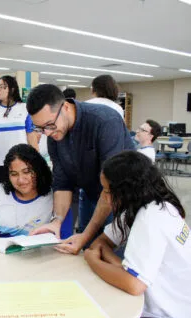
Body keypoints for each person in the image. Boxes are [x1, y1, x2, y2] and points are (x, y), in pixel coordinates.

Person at [84, 151, 191, 318]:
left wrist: (93, 261)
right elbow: (100, 244)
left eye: (107, 191)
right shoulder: (147, 205)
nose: (103, 197)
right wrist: (118, 265)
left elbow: (134, 285)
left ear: (126, 191)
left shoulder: (151, 217)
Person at [27, 84, 135, 254]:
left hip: (123, 201)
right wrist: (57, 221)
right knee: (88, 252)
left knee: (113, 258)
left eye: (49, 125)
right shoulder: (54, 135)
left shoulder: (105, 121)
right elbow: (62, 182)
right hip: (92, 196)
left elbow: (112, 187)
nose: (46, 133)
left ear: (66, 107)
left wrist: (85, 235)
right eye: (40, 128)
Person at [0, 144, 53, 237]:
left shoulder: (54, 197)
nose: (21, 180)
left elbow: (63, 238)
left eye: (26, 172)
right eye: (14, 174)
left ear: (38, 170)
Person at [0, 75, 37, 191]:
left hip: (21, 161)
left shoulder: (24, 109)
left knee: (21, 193)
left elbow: (31, 137)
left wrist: (36, 161)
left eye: (2, 87)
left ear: (12, 89)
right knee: (1, 195)